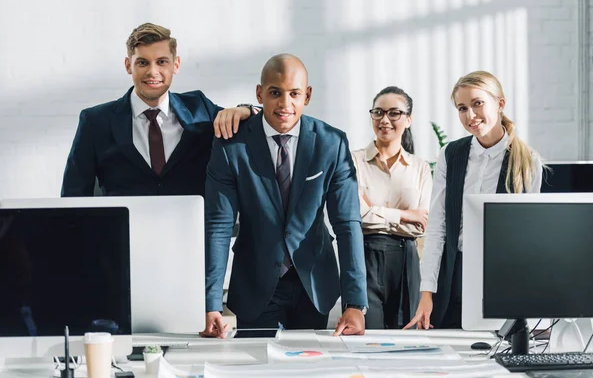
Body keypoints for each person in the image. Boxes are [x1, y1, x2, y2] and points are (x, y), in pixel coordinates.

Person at [202, 53, 367, 338]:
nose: (285, 103)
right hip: (255, 283)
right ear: (259, 93)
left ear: (308, 95)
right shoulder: (231, 145)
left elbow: (348, 223)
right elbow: (218, 225)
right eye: (275, 93)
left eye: (294, 94)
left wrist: (355, 303)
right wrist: (210, 302)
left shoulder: (332, 142)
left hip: (314, 283)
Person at [405, 71, 544, 330]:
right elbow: (437, 227)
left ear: (500, 104)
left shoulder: (527, 161)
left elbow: (529, 240)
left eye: (478, 103)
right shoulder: (452, 154)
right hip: (453, 277)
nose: (470, 115)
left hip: (501, 278)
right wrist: (426, 294)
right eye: (462, 108)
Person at [61, 23, 253, 197]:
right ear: (129, 66)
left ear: (175, 64)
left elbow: (258, 126)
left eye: (161, 62)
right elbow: (73, 197)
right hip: (126, 232)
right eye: (143, 62)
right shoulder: (96, 121)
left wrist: (247, 110)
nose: (153, 72)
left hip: (190, 230)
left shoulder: (199, 107)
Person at [352, 86, 432, 329]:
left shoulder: (420, 168)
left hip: (406, 259)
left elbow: (422, 225)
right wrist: (406, 215)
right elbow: (356, 215)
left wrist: (373, 210)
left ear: (408, 120)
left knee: (406, 340)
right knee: (367, 338)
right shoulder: (352, 160)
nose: (385, 120)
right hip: (364, 256)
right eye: (378, 112)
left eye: (394, 113)